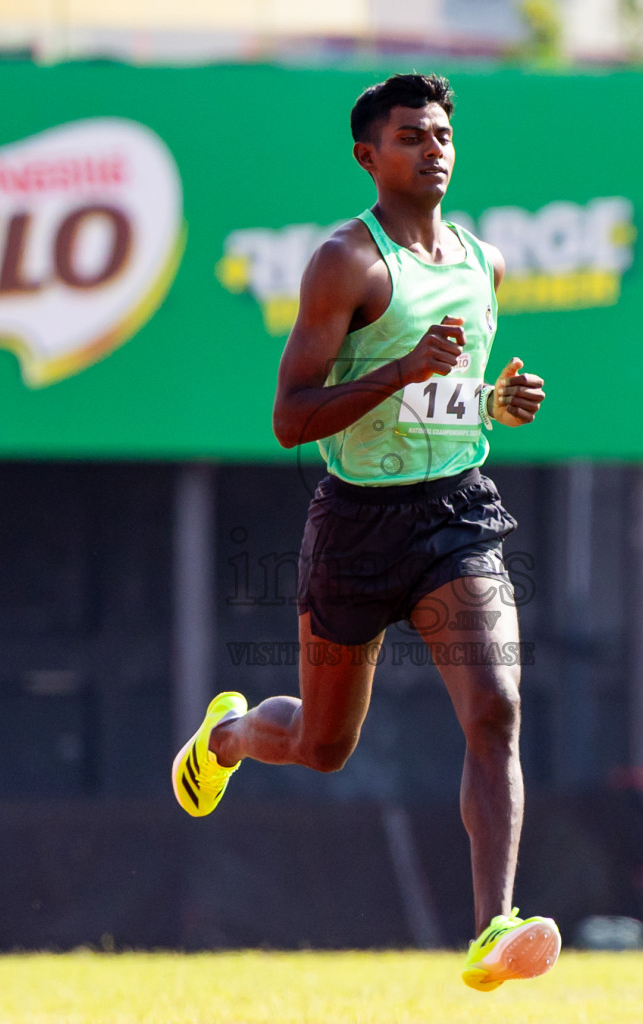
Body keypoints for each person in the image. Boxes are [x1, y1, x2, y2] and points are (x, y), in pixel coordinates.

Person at [171, 72, 557, 992]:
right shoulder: (347, 261)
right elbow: (292, 418)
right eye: (412, 136)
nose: (434, 150)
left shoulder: (483, 262)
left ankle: (490, 928)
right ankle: (226, 737)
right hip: (355, 524)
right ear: (368, 155)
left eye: (443, 135)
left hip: (457, 514)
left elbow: (448, 398)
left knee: (495, 710)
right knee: (324, 746)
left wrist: (497, 401)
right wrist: (398, 373)